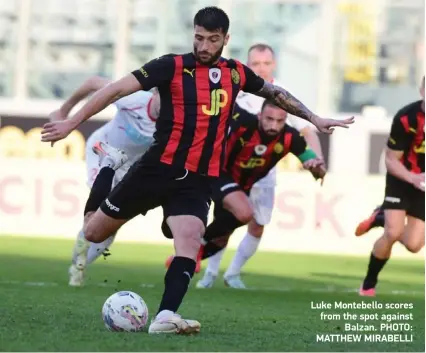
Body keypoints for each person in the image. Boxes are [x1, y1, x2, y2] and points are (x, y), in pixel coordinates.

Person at [41, 6, 353, 335]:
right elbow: (116, 89)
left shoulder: (235, 73)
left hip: (197, 180)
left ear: (225, 40)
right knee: (92, 233)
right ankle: (109, 164)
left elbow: (275, 94)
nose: (204, 47)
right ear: (193, 33)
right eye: (199, 38)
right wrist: (71, 122)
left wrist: (315, 118)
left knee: (190, 243)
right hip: (156, 169)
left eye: (212, 40)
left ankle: (164, 316)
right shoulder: (171, 66)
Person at [196, 43, 325, 288]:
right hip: (231, 169)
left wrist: (316, 161)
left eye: (266, 64)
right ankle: (209, 274)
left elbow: (307, 130)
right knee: (226, 221)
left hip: (263, 173)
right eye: (256, 64)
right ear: (248, 65)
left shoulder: (284, 95)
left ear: (274, 64)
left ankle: (232, 273)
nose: (261, 69)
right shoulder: (238, 90)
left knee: (257, 225)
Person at [48, 75, 160, 286]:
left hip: (127, 167)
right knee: (100, 206)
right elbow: (92, 82)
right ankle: (81, 249)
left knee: (109, 225)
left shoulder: (172, 122)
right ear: (155, 93)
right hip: (101, 150)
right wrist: (64, 111)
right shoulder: (133, 98)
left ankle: (79, 264)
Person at [359, 76, 425, 297]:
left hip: (423, 184)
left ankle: (379, 217)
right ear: (421, 91)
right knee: (393, 232)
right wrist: (413, 178)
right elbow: (390, 159)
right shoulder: (407, 118)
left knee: (414, 245)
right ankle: (369, 283)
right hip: (402, 178)